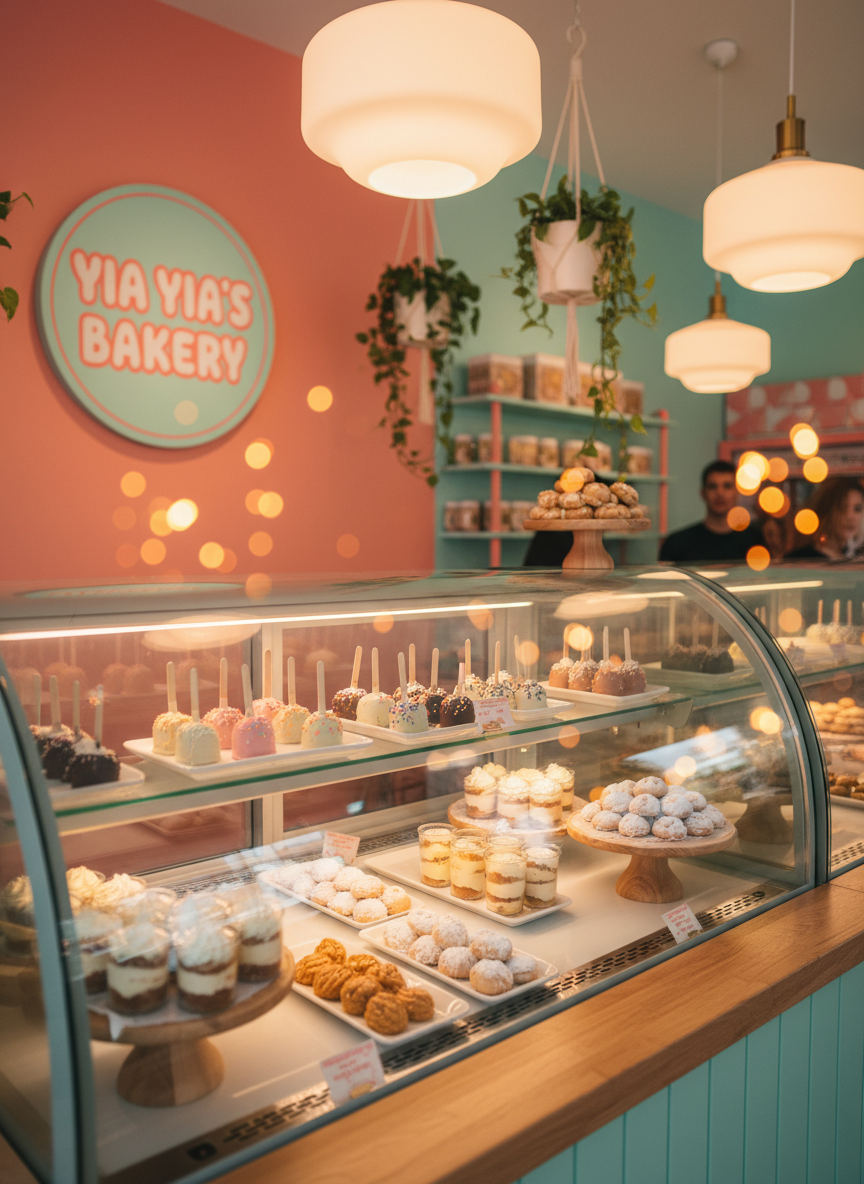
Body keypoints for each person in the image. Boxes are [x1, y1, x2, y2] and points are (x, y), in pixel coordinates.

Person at [659, 460, 765, 564]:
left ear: (736, 493)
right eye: (713, 486)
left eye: (727, 486)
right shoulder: (677, 544)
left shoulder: (755, 540)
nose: (720, 493)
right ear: (703, 493)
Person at [787, 477, 864, 560]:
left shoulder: (854, 559)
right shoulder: (803, 557)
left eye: (857, 509)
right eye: (842, 508)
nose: (850, 517)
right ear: (829, 512)